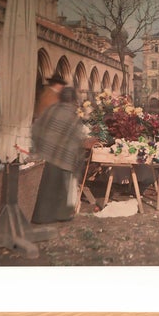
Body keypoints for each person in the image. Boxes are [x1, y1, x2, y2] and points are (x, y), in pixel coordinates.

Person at [31, 84, 92, 223]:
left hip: (45, 155)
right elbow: (77, 140)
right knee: (61, 189)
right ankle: (61, 215)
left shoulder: (50, 110)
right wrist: (78, 161)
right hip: (63, 158)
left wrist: (40, 147)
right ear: (73, 100)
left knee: (45, 187)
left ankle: (40, 217)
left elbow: (36, 129)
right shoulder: (73, 116)